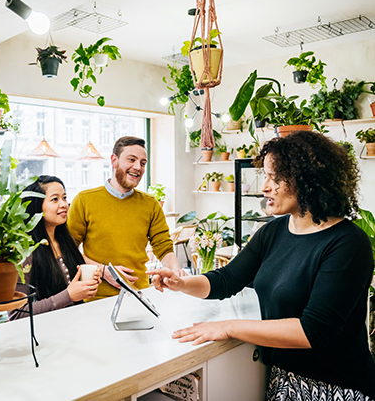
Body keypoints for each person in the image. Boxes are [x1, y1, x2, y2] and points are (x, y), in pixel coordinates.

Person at [148, 131, 375, 400]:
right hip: (284, 380)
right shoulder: (273, 231)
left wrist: (229, 326)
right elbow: (227, 279)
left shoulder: (348, 243)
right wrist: (182, 282)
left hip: (337, 386)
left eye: (274, 178)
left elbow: (313, 331)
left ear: (307, 180)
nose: (264, 187)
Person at [67, 136, 181, 300]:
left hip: (139, 295)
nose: (138, 167)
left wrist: (174, 271)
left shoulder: (151, 204)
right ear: (114, 160)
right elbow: (68, 249)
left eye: (142, 163)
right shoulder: (84, 200)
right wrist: (105, 272)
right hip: (95, 298)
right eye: (132, 160)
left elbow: (163, 246)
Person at [9, 176, 101, 320]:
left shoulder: (65, 240)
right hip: (45, 335)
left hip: (75, 325)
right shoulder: (25, 250)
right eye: (55, 199)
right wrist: (69, 296)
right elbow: (17, 313)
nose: (64, 204)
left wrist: (85, 285)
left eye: (64, 198)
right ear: (36, 205)